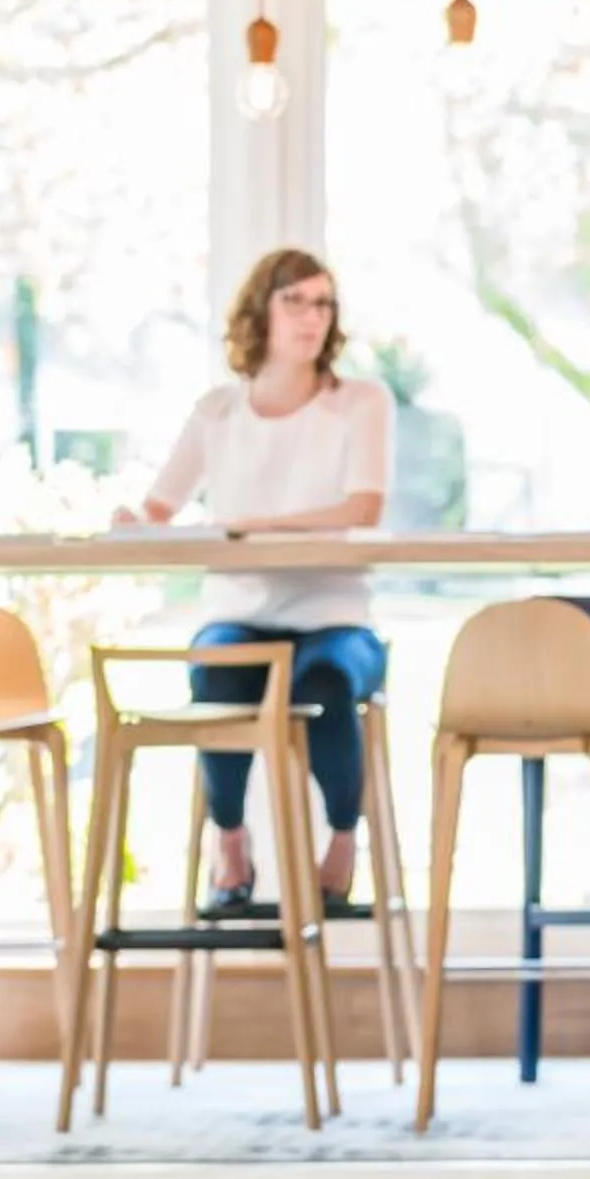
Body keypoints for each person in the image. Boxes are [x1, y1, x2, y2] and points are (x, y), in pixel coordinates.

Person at [120, 248, 395, 913]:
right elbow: (158, 508)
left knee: (324, 683)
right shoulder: (218, 412)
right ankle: (231, 845)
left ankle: (341, 843)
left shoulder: (360, 403)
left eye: (323, 303)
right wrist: (133, 521)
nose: (311, 318)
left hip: (335, 617)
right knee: (215, 671)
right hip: (241, 613)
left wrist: (255, 526)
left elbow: (363, 507)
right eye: (295, 301)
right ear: (261, 313)